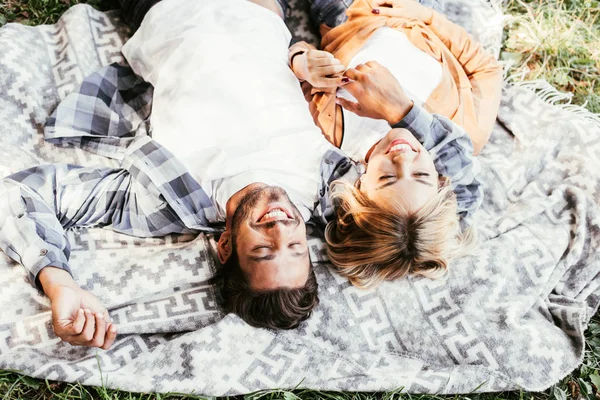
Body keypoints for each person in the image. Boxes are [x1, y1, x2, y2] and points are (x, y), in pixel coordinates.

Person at [0, 0, 341, 349]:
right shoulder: (325, 187)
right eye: (296, 247)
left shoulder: (163, 200)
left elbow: (25, 192)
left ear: (225, 246)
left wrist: (61, 285)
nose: (280, 228)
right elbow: (398, 193)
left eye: (264, 250)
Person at [286, 0, 502, 287]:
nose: (403, 159)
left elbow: (298, 67)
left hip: (345, 11)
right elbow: (486, 70)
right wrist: (425, 15)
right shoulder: (463, 134)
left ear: (360, 187)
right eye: (421, 175)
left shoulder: (329, 129)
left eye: (387, 177)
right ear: (440, 181)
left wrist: (302, 63)